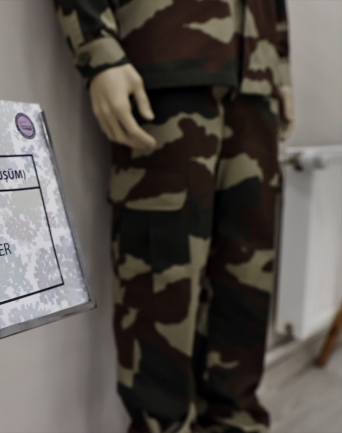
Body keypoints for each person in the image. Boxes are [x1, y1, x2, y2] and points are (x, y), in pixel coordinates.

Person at [54, 1, 294, 432]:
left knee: (247, 271)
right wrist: (96, 46)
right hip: (168, 59)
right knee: (163, 276)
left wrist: (281, 66)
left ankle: (237, 422)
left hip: (257, 78)